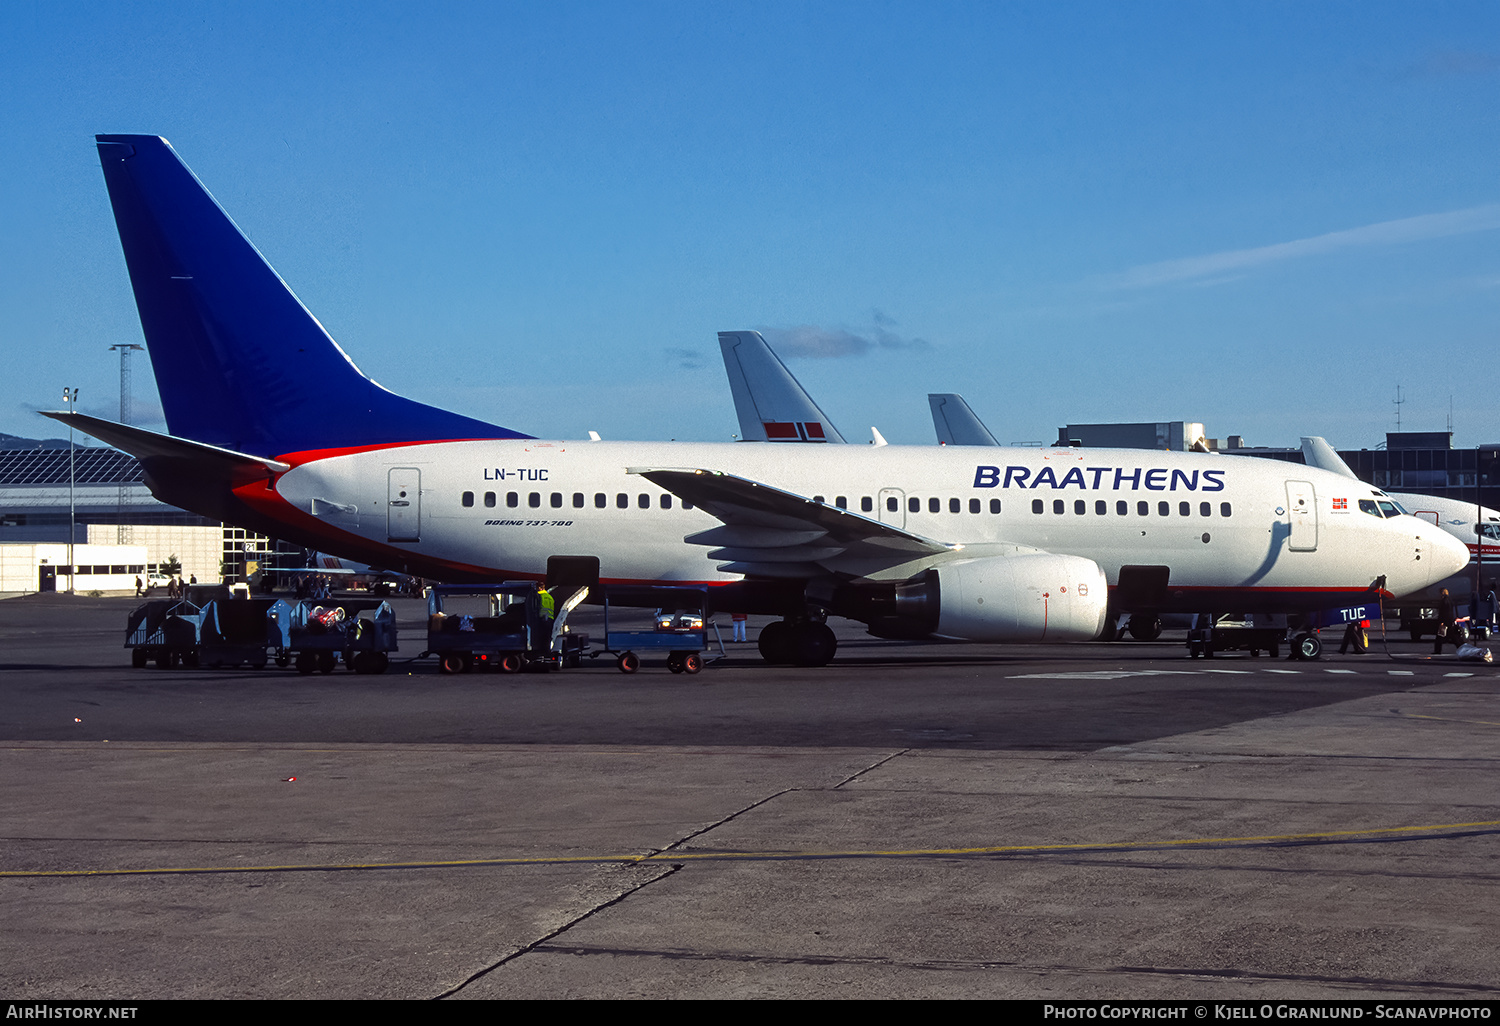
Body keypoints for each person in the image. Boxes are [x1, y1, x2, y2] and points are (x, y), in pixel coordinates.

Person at [1433, 589, 1455, 655]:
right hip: (1449, 620)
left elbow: (1443, 612)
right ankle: (1461, 647)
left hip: (1444, 620)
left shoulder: (1444, 601)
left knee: (1439, 636)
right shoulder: (1449, 600)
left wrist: (1441, 621)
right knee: (1453, 636)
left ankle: (1437, 650)